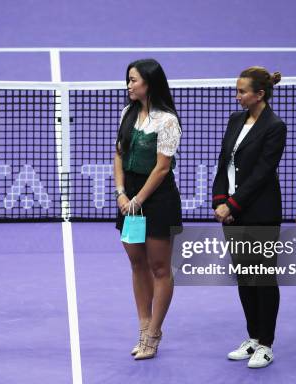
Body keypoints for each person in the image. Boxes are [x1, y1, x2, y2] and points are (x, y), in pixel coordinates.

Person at [211, 66, 286, 368]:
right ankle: (253, 337)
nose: (237, 95)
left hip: (261, 215)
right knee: (244, 277)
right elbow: (223, 163)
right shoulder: (235, 120)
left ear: (260, 94)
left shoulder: (275, 126)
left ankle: (266, 344)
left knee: (263, 278)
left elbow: (261, 174)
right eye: (237, 90)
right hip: (233, 213)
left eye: (242, 91)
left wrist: (233, 205)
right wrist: (220, 203)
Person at [114, 58, 182, 360]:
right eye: (128, 80)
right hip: (128, 200)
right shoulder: (127, 113)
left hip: (157, 201)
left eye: (133, 80)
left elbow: (162, 169)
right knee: (137, 264)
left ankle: (154, 333)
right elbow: (118, 154)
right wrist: (120, 192)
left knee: (159, 268)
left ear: (149, 84)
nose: (129, 85)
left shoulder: (167, 121)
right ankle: (143, 327)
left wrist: (137, 200)